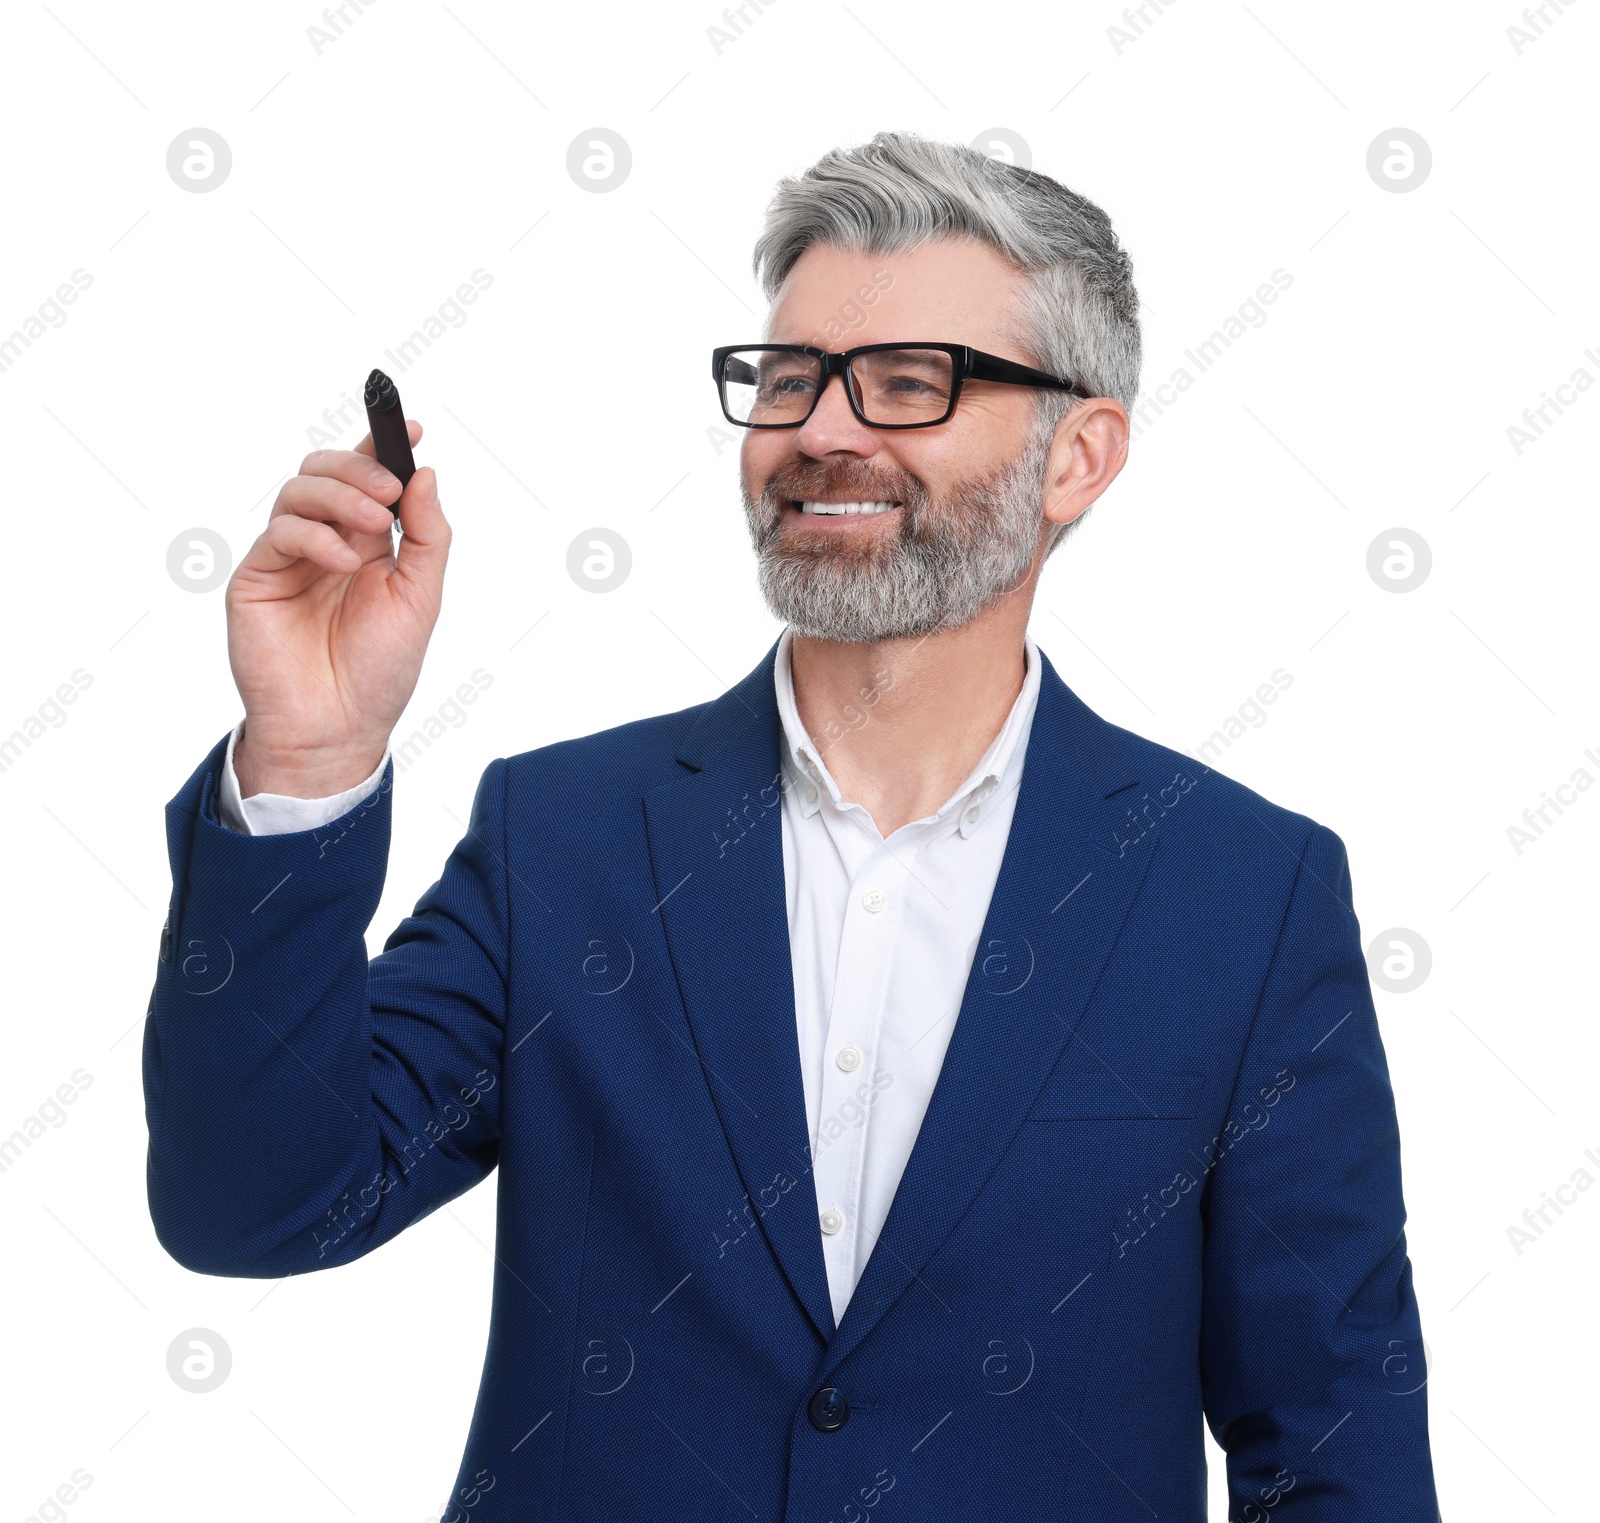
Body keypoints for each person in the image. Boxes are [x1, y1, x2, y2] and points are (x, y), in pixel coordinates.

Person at [145, 130, 1439, 1518]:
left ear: (1078, 456)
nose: (823, 431)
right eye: (790, 380)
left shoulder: (1241, 897)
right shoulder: (566, 839)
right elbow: (258, 1205)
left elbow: (1332, 1442)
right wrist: (309, 752)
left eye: (905, 384)